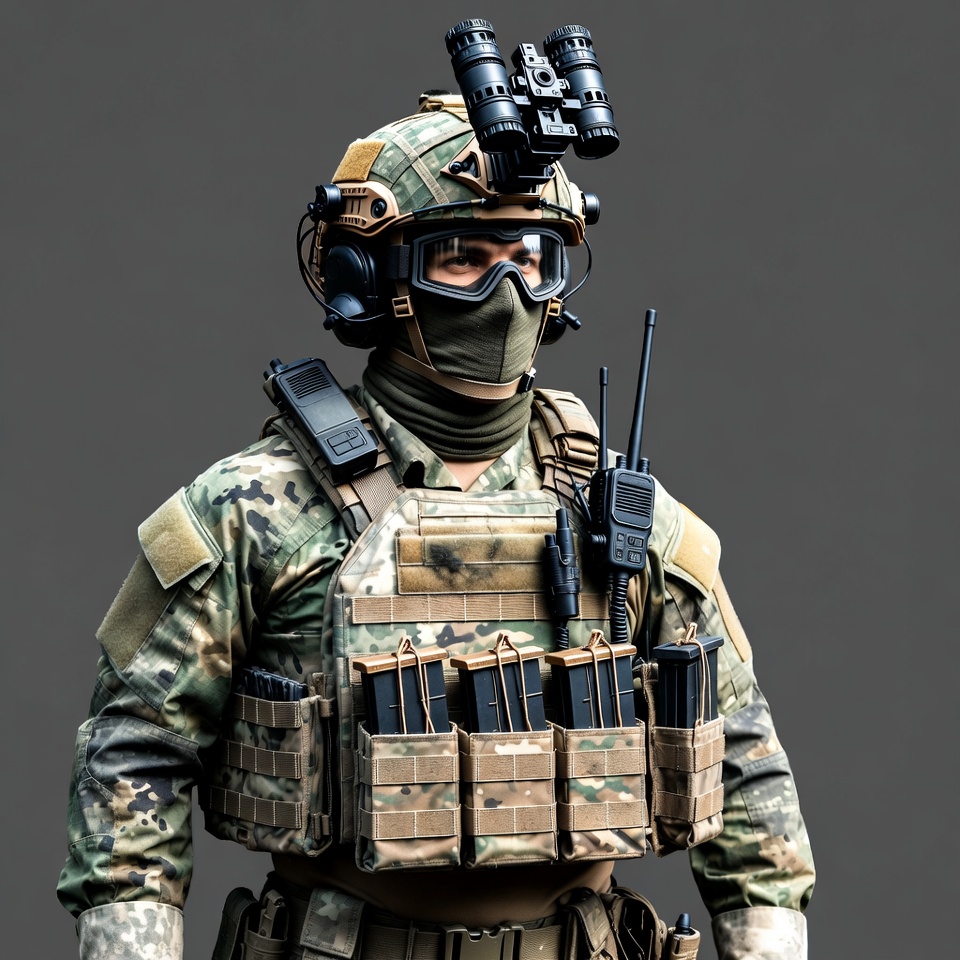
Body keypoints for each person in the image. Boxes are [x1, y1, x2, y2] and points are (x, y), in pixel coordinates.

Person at [57, 67, 815, 960]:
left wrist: (767, 940)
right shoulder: (254, 509)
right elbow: (135, 753)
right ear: (372, 277)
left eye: (531, 258)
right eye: (463, 258)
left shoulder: (620, 514)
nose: (506, 292)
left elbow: (742, 762)